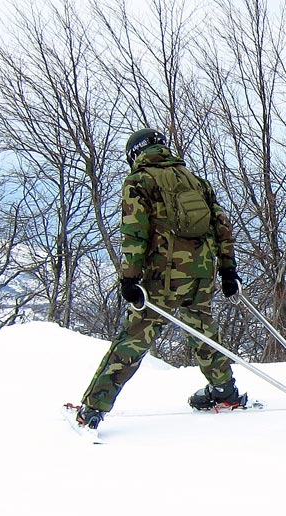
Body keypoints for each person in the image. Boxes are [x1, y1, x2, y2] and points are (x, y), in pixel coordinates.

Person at [75, 127, 246, 430]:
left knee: (134, 338)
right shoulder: (195, 180)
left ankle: (92, 409)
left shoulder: (139, 181)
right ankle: (225, 392)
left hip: (163, 279)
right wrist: (227, 269)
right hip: (201, 274)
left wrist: (129, 278)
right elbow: (221, 225)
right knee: (203, 329)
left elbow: (134, 233)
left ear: (135, 154)